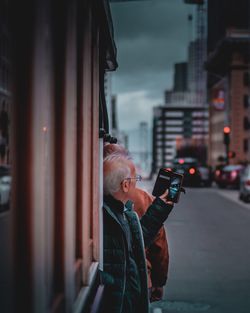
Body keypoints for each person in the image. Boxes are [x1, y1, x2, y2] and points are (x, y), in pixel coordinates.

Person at [102, 152, 175, 313]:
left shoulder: (113, 211)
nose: (137, 185)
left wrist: (160, 208)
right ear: (125, 185)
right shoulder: (112, 218)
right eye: (136, 180)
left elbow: (134, 241)